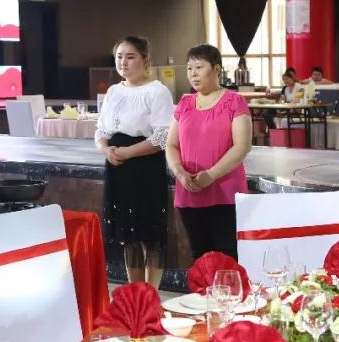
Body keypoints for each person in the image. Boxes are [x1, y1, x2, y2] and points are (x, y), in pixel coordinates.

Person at [95, 35, 174, 286]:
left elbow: (163, 136)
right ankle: (135, 291)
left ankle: (150, 295)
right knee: (127, 233)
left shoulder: (157, 91)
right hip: (118, 166)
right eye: (119, 57)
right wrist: (105, 149)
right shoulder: (113, 91)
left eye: (130, 57)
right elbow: (101, 130)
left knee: (150, 233)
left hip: (145, 165)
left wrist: (129, 152)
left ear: (146, 61)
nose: (123, 62)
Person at [166, 44, 251, 258]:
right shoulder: (184, 103)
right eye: (189, 68)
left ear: (217, 69)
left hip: (225, 192)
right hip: (189, 190)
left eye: (199, 67)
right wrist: (179, 172)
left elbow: (242, 146)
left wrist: (211, 175)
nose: (193, 74)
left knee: (228, 254)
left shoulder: (234, 101)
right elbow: (171, 145)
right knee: (199, 255)